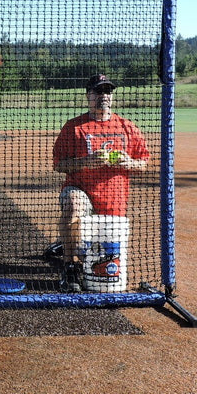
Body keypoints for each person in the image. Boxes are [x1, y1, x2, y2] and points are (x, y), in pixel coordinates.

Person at [52, 74, 149, 292]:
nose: (103, 96)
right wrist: (87, 162)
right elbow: (59, 165)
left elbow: (143, 163)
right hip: (81, 189)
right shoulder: (75, 127)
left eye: (107, 91)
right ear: (88, 96)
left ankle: (66, 241)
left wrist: (129, 163)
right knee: (72, 207)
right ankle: (70, 267)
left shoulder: (127, 127)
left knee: (100, 256)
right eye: (98, 91)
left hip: (114, 197)